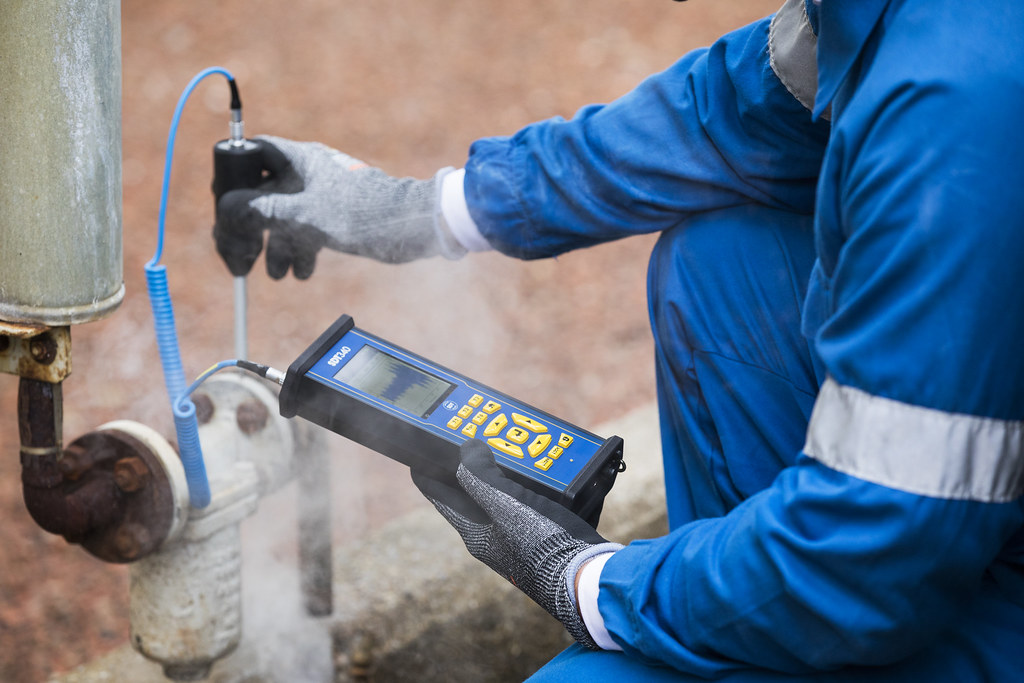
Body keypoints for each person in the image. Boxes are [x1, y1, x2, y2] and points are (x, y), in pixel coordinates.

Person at [214, 0, 1024, 679]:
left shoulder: (951, 110)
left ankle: (761, 621)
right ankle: (754, 628)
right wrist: (418, 210)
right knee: (723, 263)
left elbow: (868, 549)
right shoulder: (886, 19)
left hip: (977, 597)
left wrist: (590, 581)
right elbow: (730, 114)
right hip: (934, 526)